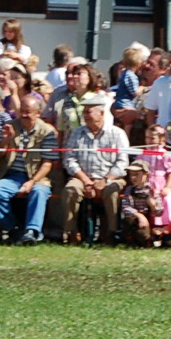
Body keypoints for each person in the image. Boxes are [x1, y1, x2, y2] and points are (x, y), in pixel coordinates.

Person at [61, 94, 132, 244]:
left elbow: (122, 162)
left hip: (111, 178)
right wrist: (87, 181)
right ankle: (72, 232)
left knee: (111, 190)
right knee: (70, 190)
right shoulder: (77, 133)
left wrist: (105, 180)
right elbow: (69, 159)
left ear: (101, 113)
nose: (85, 115)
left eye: (89, 111)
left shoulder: (117, 134)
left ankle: (112, 233)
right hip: (83, 178)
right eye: (84, 112)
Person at [0, 95, 56, 245]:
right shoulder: (10, 125)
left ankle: (32, 231)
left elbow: (47, 163)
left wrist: (32, 182)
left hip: (37, 177)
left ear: (38, 113)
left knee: (39, 192)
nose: (24, 115)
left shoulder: (48, 131)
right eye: (22, 111)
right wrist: (5, 139)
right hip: (11, 175)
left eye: (28, 112)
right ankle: (13, 229)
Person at [119, 160, 157, 245]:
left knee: (143, 235)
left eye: (136, 174)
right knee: (128, 220)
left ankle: (148, 240)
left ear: (146, 175)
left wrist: (153, 206)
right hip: (135, 218)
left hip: (149, 222)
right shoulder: (129, 190)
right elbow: (125, 206)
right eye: (131, 174)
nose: (133, 177)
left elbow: (159, 212)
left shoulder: (152, 190)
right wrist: (139, 215)